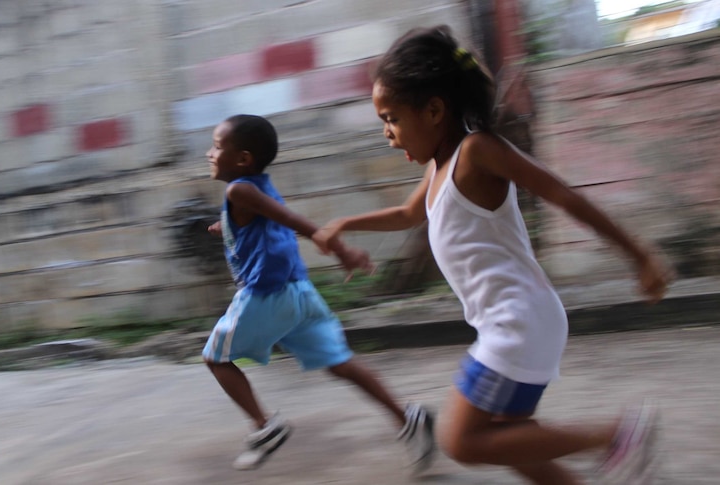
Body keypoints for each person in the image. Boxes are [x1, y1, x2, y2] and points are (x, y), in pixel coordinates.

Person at [312, 26, 673, 485]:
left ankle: (619, 435)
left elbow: (561, 195)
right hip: (513, 321)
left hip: (517, 321)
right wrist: (344, 224)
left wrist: (639, 255)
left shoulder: (477, 151)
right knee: (509, 441)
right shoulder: (439, 167)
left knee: (460, 439)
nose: (387, 133)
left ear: (434, 110)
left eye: (392, 118)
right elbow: (407, 213)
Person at [202, 114, 435, 472]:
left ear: (243, 159)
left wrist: (339, 247)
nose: (210, 153)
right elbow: (268, 220)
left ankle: (264, 427)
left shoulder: (239, 190)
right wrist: (228, 226)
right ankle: (407, 417)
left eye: (217, 146)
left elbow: (292, 220)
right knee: (339, 361)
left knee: (216, 358)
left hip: (266, 295)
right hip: (300, 293)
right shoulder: (254, 188)